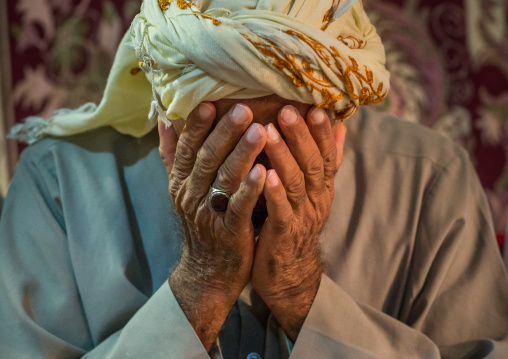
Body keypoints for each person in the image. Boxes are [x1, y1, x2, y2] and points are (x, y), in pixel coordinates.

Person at [1, 0, 508, 358]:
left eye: (289, 135)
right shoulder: (56, 186)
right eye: (225, 136)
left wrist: (301, 290)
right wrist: (201, 285)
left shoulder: (430, 184)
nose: (256, 175)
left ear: (337, 120)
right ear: (170, 120)